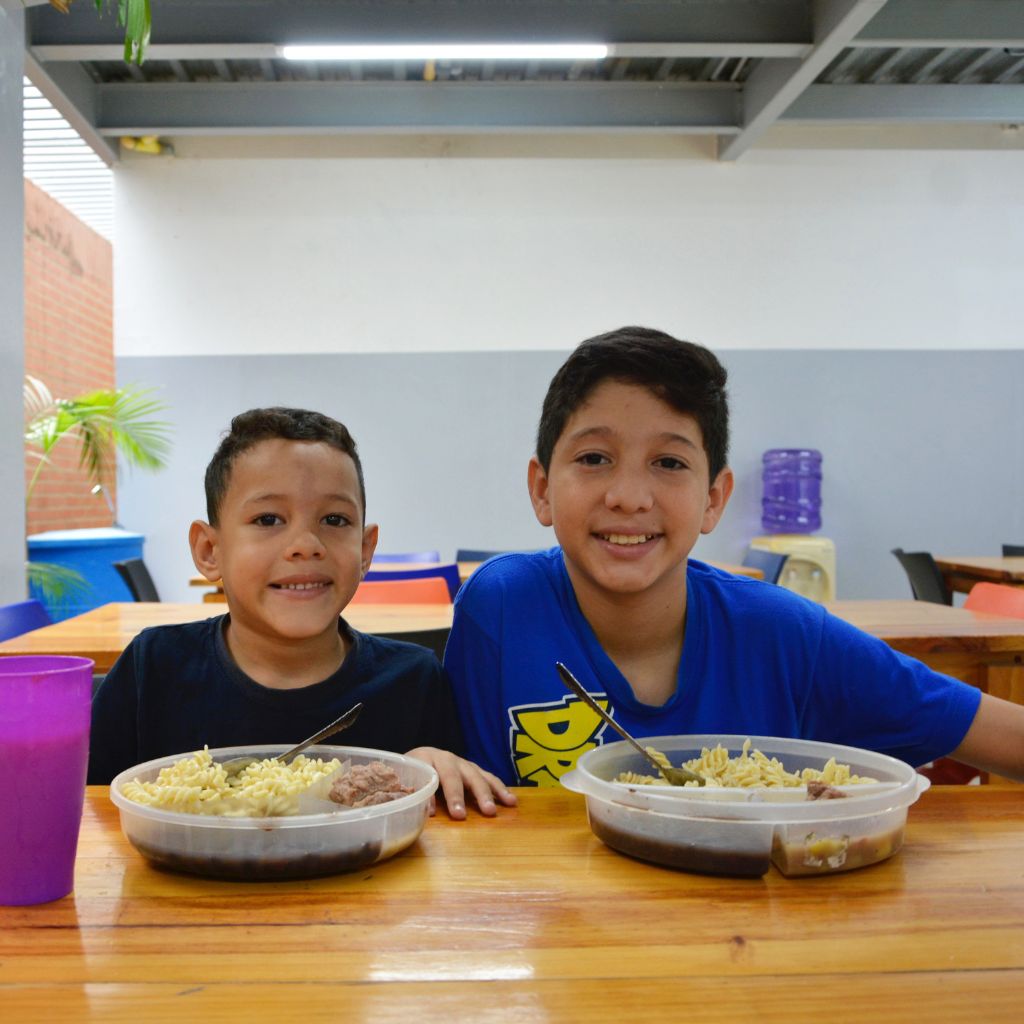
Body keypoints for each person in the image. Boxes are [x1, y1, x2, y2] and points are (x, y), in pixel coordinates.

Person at [443, 326, 1024, 787]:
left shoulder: (782, 633)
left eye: (669, 463)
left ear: (713, 500)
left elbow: (997, 733)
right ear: (542, 488)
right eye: (595, 458)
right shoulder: (499, 608)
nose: (628, 496)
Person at [89, 407, 516, 819]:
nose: (306, 543)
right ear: (209, 550)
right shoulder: (154, 668)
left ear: (365, 551)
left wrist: (433, 769)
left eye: (334, 518)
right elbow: (90, 814)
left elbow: (448, 838)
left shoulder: (415, 681)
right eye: (269, 518)